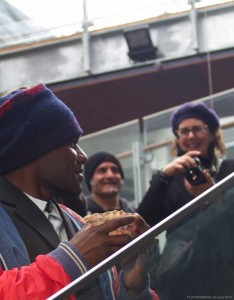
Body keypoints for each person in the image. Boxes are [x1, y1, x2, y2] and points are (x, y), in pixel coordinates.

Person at [0, 83, 159, 300]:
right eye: (72, 144)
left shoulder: (74, 218)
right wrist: (71, 260)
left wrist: (132, 288)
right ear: (34, 150)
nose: (83, 156)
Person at [137, 101, 234, 227]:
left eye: (197, 129)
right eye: (184, 131)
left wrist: (214, 197)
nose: (191, 136)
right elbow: (143, 223)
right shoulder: (169, 179)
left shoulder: (230, 170)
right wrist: (162, 177)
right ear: (177, 138)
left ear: (212, 135)